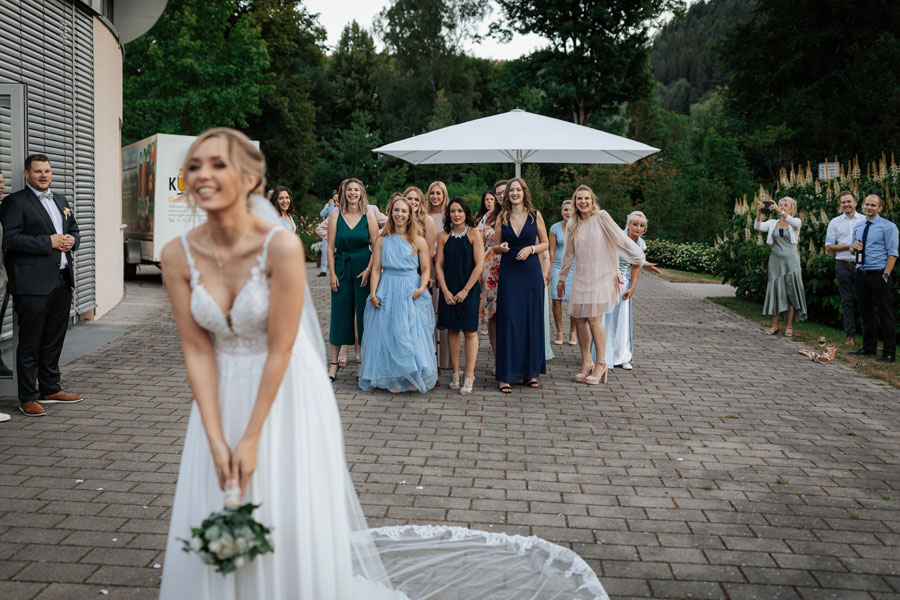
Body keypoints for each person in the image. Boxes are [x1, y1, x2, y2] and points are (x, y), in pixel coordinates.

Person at [158, 125, 609, 600]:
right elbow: (197, 350)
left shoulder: (280, 247)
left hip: (282, 389)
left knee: (278, 492)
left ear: (250, 179)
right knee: (217, 488)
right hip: (218, 397)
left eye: (218, 164)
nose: (203, 175)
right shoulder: (176, 255)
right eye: (194, 166)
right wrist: (213, 432)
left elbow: (281, 346)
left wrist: (249, 436)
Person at [0, 154, 83, 417]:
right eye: (38, 172)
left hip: (61, 279)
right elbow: (11, 241)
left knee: (53, 339)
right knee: (30, 342)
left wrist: (72, 240)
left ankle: (50, 387)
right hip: (31, 284)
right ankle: (27, 397)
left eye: (47, 171)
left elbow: (74, 230)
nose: (44, 175)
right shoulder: (14, 202)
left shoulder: (60, 200)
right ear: (27, 175)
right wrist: (49, 242)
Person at [557, 185, 645, 385]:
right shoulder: (572, 224)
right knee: (579, 318)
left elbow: (620, 239)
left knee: (594, 318)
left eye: (586, 198)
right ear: (575, 202)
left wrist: (639, 257)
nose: (583, 202)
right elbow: (569, 253)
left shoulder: (602, 217)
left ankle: (601, 363)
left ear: (592, 200)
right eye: (579, 199)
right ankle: (586, 361)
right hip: (581, 275)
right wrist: (561, 278)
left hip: (601, 275)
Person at [360, 195, 436, 393]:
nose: (400, 214)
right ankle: (391, 377)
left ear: (410, 215)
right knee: (388, 333)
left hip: (409, 289)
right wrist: (373, 293)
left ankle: (411, 375)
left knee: (408, 333)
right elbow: (376, 269)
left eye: (404, 211)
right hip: (387, 287)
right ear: (390, 213)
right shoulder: (382, 240)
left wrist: (421, 288)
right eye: (396, 210)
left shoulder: (418, 240)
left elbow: (426, 268)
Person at [493, 178, 549, 392]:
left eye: (518, 189)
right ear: (506, 194)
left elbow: (544, 243)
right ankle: (505, 375)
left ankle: (530, 373)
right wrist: (502, 247)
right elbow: (495, 247)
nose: (515, 193)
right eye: (511, 190)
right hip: (510, 272)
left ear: (525, 192)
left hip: (530, 272)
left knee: (531, 320)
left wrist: (531, 249)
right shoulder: (502, 216)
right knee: (508, 320)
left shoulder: (536, 216)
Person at [327, 178, 378, 381]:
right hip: (341, 266)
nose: (353, 193)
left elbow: (376, 245)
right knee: (339, 313)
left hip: (363, 266)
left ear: (361, 193)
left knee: (364, 315)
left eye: (357, 189)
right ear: (343, 192)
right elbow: (330, 248)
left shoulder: (369, 215)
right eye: (349, 190)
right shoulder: (335, 214)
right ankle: (333, 364)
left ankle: (361, 362)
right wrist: (331, 274)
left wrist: (369, 269)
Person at [435, 197, 484, 394]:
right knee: (452, 331)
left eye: (460, 211)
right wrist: (445, 291)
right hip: (448, 288)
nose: (456, 215)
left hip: (468, 289)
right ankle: (456, 372)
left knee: (470, 332)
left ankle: (469, 375)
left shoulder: (474, 234)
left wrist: (465, 291)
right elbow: (438, 264)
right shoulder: (443, 236)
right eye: (453, 211)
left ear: (466, 213)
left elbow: (479, 265)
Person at [601, 211, 660, 370]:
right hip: (608, 280)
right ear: (628, 224)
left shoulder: (640, 244)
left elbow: (636, 266)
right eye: (635, 224)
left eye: (642, 226)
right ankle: (603, 356)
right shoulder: (617, 236)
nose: (638, 228)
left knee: (622, 320)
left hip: (624, 283)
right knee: (606, 319)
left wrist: (632, 287)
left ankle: (622, 356)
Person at [849, 194, 898, 363]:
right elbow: (852, 250)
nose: (869, 207)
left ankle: (889, 353)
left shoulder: (888, 227)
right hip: (861, 274)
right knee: (866, 313)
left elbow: (893, 253)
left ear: (880, 208)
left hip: (879, 275)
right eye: (867, 204)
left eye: (873, 205)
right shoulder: (859, 226)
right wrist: (853, 248)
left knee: (885, 315)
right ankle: (869, 348)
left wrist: (885, 274)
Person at [754, 196, 807, 336]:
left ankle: (789, 326)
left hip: (791, 262)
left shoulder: (796, 222)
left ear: (791, 209)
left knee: (790, 292)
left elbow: (794, 223)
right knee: (776, 292)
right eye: (781, 205)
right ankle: (775, 325)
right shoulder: (772, 223)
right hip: (775, 261)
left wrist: (778, 211)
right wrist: (759, 212)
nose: (782, 207)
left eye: (785, 205)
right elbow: (757, 227)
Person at [825, 191, 866, 345]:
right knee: (847, 302)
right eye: (843, 202)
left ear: (855, 203)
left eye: (849, 201)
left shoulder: (864, 220)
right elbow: (829, 246)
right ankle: (850, 337)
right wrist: (849, 247)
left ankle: (869, 338)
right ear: (840, 205)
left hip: (863, 265)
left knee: (866, 302)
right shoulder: (835, 222)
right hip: (843, 264)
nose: (846, 204)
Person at [477, 180, 506, 360]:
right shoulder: (488, 216)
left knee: (508, 313)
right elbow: (478, 241)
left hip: (511, 267)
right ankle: (498, 358)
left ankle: (510, 357)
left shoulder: (517, 215)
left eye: (504, 192)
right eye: (498, 193)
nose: (501, 196)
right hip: (489, 270)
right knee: (493, 315)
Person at [426, 181, 451, 382]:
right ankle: (430, 354)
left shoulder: (449, 216)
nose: (435, 196)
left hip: (445, 266)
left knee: (443, 309)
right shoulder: (423, 217)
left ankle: (445, 359)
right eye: (432, 193)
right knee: (429, 309)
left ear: (444, 195)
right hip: (426, 265)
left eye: (439, 193)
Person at [549, 200, 577, 345]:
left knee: (574, 299)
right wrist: (549, 269)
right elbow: (552, 250)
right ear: (561, 211)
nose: (568, 212)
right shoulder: (555, 228)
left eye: (571, 210)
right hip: (557, 267)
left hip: (575, 267)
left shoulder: (580, 227)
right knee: (556, 298)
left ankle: (573, 332)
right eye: (566, 209)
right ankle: (559, 331)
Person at [403, 186, 437, 253]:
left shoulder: (427, 220)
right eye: (409, 198)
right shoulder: (399, 219)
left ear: (420, 202)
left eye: (416, 199)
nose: (413, 202)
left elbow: (429, 251)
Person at [318, 191, 339, 276]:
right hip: (328, 230)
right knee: (325, 250)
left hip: (338, 230)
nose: (336, 198)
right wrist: (329, 206)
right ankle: (323, 270)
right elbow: (322, 214)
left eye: (337, 196)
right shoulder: (328, 205)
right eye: (335, 197)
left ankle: (335, 269)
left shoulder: (342, 205)